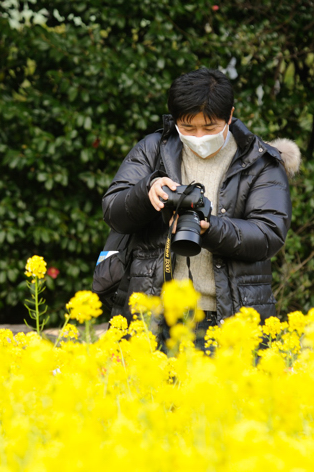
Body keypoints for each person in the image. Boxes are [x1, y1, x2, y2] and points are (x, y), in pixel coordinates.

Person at [102, 68, 300, 348]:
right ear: (174, 120)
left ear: (229, 116)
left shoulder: (259, 162)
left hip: (226, 320)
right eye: (188, 127)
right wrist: (147, 191)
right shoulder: (152, 150)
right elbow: (113, 210)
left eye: (209, 128)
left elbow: (268, 234)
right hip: (153, 317)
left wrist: (210, 228)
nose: (198, 136)